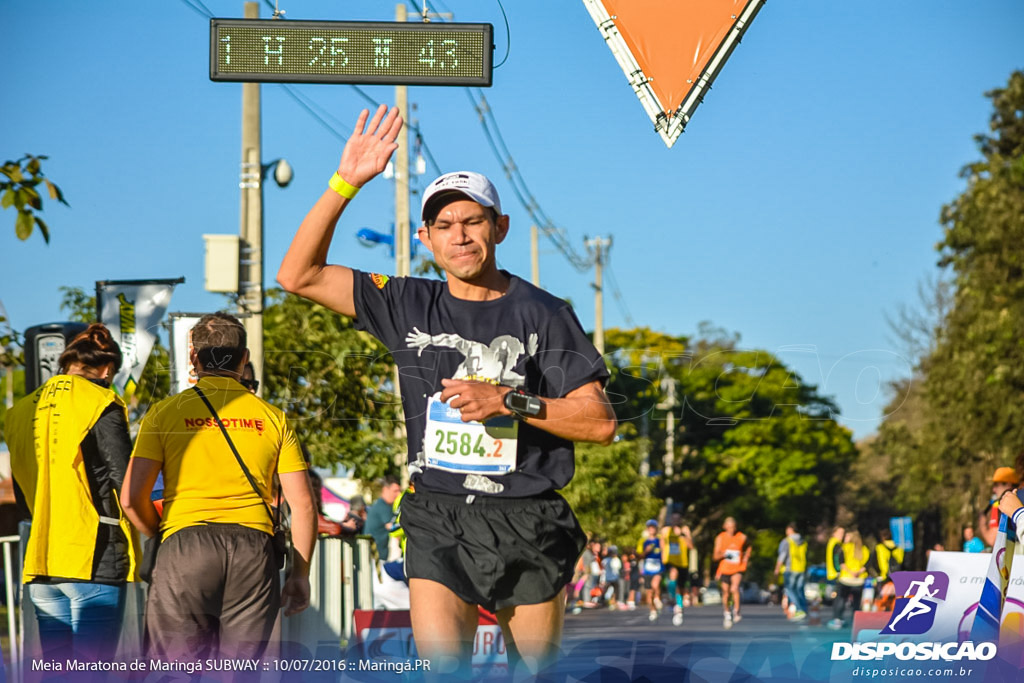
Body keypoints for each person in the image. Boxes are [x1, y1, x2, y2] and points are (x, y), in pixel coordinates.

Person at [276, 104, 617, 675]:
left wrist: (509, 401)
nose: (459, 236)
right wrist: (347, 182)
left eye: (472, 221)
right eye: (444, 226)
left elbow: (599, 422)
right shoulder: (407, 301)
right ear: (426, 238)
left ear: (499, 228)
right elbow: (297, 275)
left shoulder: (544, 313)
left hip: (527, 514)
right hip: (437, 513)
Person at [121, 312, 317, 661]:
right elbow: (302, 506)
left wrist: (162, 535)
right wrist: (300, 575)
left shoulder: (164, 413)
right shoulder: (273, 417)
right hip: (253, 552)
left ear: (193, 357)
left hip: (184, 545)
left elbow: (131, 500)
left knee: (176, 669)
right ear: (244, 359)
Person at [6, 324, 140, 662]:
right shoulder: (100, 402)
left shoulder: (20, 411)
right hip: (95, 556)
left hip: (43, 558)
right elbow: (125, 480)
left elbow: (22, 492)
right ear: (108, 370)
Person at [713, 517, 750, 629]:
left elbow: (749, 546)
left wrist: (746, 557)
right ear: (724, 527)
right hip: (724, 569)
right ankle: (727, 612)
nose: (731, 530)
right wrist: (723, 554)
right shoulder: (720, 538)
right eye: (728, 527)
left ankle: (737, 610)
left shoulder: (742, 537)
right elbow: (715, 556)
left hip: (737, 568)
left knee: (734, 588)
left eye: (733, 527)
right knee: (726, 592)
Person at [829, 529, 869, 630]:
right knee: (856, 602)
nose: (844, 538)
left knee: (841, 599)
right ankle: (855, 622)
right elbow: (868, 564)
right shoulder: (864, 549)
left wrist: (851, 572)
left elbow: (841, 563)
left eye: (847, 536)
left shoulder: (845, 548)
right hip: (859, 580)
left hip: (846, 579)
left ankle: (838, 619)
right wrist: (858, 572)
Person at [660, 515, 692, 625]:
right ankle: (672, 598)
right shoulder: (665, 530)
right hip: (670, 560)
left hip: (682, 562)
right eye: (673, 519)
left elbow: (691, 546)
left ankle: (679, 606)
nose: (675, 521)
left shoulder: (685, 529)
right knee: (673, 574)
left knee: (681, 588)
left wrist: (683, 536)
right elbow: (662, 545)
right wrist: (663, 557)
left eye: (678, 519)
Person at [774, 522, 808, 621]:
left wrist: (777, 568)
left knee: (790, 590)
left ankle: (799, 609)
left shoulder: (787, 541)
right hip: (801, 568)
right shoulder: (803, 541)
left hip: (790, 568)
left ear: (790, 530)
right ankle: (804, 610)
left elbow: (782, 556)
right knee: (799, 590)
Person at [365, 475, 402, 561]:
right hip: (377, 558)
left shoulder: (382, 505)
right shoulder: (383, 507)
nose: (399, 494)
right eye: (395, 491)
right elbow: (394, 528)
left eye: (399, 491)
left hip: (377, 556)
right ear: (385, 489)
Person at [980, 467, 1018, 548]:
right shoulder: (1020, 498)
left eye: (996, 485)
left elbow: (992, 540)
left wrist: (982, 523)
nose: (994, 489)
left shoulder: (998, 504)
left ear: (1008, 484)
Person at [637, 520, 664, 622]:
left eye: (653, 527)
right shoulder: (643, 541)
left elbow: (665, 550)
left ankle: (657, 598)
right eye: (650, 527)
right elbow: (639, 556)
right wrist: (646, 551)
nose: (651, 529)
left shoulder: (660, 540)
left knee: (655, 585)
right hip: (648, 569)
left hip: (658, 567)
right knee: (649, 593)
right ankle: (652, 609)